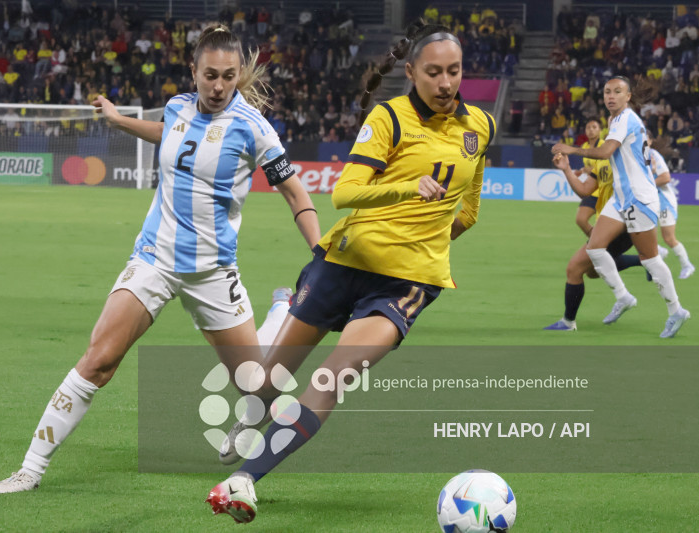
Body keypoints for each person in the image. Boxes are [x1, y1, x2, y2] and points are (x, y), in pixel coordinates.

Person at [0, 24, 321, 494]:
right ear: (194, 71)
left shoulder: (253, 128)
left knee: (258, 387)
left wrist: (319, 251)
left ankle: (279, 314)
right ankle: (30, 469)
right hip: (154, 259)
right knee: (99, 360)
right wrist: (118, 120)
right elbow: (169, 135)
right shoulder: (178, 106)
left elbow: (295, 192)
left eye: (228, 77)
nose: (218, 86)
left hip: (212, 272)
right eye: (210, 76)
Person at [205, 21, 496, 524]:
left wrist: (429, 241)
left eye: (454, 71)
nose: (446, 82)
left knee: (333, 377)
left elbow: (468, 208)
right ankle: (272, 343)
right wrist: (407, 189)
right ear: (411, 72)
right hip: (344, 263)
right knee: (267, 383)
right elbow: (345, 193)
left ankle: (245, 479)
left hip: (406, 283)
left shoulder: (480, 127)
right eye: (433, 72)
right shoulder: (389, 118)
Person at [551, 76, 690, 338]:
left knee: (650, 259)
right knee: (594, 248)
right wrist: (569, 168)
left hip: (639, 198)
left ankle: (676, 311)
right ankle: (623, 296)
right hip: (621, 197)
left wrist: (572, 149)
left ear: (628, 97)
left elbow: (605, 152)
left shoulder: (625, 118)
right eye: (607, 92)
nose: (611, 96)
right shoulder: (616, 121)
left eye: (617, 92)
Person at [543, 118, 646, 332]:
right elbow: (584, 190)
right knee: (591, 271)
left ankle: (569, 321)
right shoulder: (601, 160)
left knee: (574, 268)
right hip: (611, 223)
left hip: (621, 221)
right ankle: (644, 261)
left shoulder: (624, 154)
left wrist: (572, 149)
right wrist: (566, 169)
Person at [647, 133, 695, 279]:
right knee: (639, 231)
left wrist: (646, 185)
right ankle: (658, 252)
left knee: (668, 238)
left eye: (645, 138)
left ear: (650, 141)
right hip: (649, 201)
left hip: (663, 202)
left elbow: (665, 177)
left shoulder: (653, 155)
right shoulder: (635, 155)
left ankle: (687, 265)